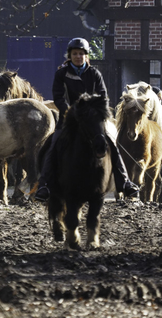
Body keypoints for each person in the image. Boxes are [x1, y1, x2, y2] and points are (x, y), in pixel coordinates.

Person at [34, 37, 140, 202]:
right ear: (70, 56)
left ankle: (125, 183)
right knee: (54, 145)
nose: (78, 56)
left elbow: (103, 97)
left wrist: (92, 113)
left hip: (92, 120)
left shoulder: (94, 74)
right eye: (75, 53)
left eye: (81, 54)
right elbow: (59, 97)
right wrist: (71, 112)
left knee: (111, 143)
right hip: (69, 119)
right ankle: (44, 185)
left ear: (86, 55)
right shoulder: (61, 74)